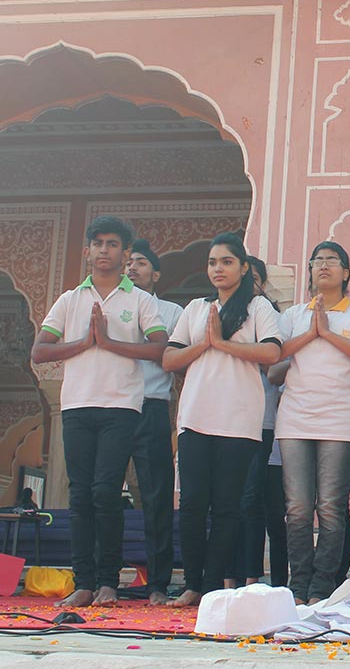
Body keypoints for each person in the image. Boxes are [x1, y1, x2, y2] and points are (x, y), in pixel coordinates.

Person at [32, 216, 168, 608]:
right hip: (77, 405)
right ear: (86, 251)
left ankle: (108, 581)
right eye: (98, 243)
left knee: (106, 493)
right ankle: (84, 582)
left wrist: (109, 343)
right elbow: (40, 351)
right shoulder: (70, 299)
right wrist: (84, 343)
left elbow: (160, 347)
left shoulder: (139, 300)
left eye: (112, 244)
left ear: (126, 254)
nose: (104, 250)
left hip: (121, 407)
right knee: (79, 495)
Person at [162, 233, 281, 606]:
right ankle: (192, 584)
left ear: (243, 268)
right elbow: (169, 359)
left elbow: (272, 353)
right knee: (193, 503)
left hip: (239, 421)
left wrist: (224, 344)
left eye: (227, 262)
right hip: (196, 416)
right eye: (213, 262)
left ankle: (213, 585)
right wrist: (204, 344)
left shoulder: (258, 307)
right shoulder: (196, 308)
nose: (218, 269)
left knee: (228, 507)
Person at [272, 241, 350, 604]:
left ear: (345, 272)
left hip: (340, 418)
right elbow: (273, 360)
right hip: (295, 418)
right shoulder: (292, 316)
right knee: (297, 507)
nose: (323, 266)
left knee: (331, 506)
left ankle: (322, 585)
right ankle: (298, 584)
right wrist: (310, 333)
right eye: (317, 260)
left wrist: (328, 333)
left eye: (332, 260)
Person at [123, 239, 182, 605]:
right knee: (102, 494)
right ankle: (100, 579)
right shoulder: (111, 305)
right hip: (113, 407)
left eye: (141, 262)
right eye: (129, 262)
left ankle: (158, 583)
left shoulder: (171, 312)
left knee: (156, 496)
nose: (132, 267)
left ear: (156, 274)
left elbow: (172, 357)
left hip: (152, 407)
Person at [230, 256, 282, 589]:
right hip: (227, 420)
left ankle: (255, 579)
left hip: (264, 422)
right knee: (231, 502)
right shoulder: (218, 313)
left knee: (260, 505)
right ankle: (228, 577)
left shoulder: (271, 317)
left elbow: (274, 367)